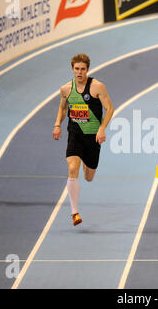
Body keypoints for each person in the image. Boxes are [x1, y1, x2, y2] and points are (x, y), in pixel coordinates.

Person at [53, 53, 114, 226]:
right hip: (75, 134)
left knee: (88, 177)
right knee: (73, 168)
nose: (79, 72)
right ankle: (74, 213)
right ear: (72, 69)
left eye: (83, 69)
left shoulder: (97, 87)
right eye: (76, 69)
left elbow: (109, 109)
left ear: (88, 69)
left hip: (93, 137)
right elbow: (62, 108)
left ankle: (87, 164)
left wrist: (102, 129)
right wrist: (57, 124)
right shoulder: (65, 89)